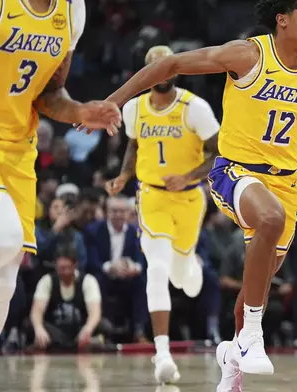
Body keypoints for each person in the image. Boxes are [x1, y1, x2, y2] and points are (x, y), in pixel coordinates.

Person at [99, 0, 297, 388]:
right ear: (283, 20)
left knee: (256, 283)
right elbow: (170, 65)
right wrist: (114, 100)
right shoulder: (248, 55)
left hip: (285, 180)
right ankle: (253, 336)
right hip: (236, 172)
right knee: (269, 220)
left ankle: (232, 359)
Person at [0, 0, 121, 337]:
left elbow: (49, 93)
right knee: (5, 237)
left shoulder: (71, 11)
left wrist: (80, 111)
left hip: (19, 150)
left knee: (8, 277)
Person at [105, 46, 221, 383]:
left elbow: (218, 153)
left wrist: (187, 176)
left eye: (166, 68)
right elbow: (133, 145)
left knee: (183, 279)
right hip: (151, 196)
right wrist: (125, 176)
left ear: (175, 71)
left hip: (188, 200)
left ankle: (190, 264)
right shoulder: (134, 108)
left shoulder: (194, 108)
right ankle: (163, 353)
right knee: (156, 268)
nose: (162, 73)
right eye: (154, 69)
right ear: (147, 74)